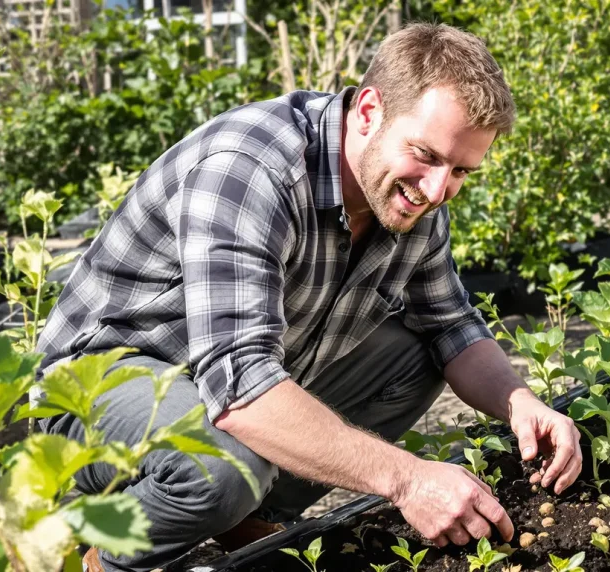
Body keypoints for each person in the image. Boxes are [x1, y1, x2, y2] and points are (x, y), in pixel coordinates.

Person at [37, 22, 582, 572]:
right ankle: (104, 558)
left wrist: (522, 403)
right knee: (228, 468)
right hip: (102, 386)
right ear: (369, 112)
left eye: (462, 171)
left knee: (417, 356)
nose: (438, 190)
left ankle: (244, 515)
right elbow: (242, 386)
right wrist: (409, 479)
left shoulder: (411, 197)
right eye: (427, 155)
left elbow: (451, 324)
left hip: (222, 386)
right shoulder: (251, 168)